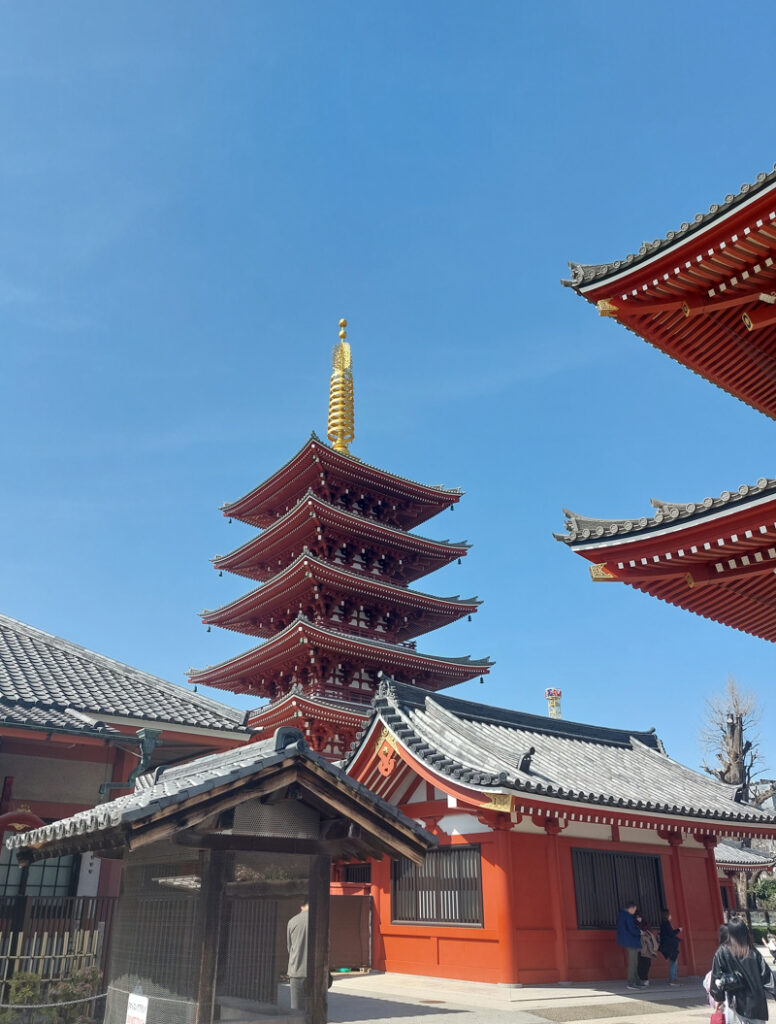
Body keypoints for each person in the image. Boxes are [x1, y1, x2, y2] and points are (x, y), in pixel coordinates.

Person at [710, 916, 774, 1024]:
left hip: (735, 1003)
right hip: (757, 1005)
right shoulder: (754, 953)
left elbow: (716, 979)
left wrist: (718, 998)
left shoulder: (722, 952)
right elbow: (768, 978)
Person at [616, 900, 644, 990]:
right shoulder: (628, 916)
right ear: (632, 908)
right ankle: (631, 983)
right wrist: (639, 932)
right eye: (635, 909)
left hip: (627, 940)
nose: (635, 911)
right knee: (633, 963)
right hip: (631, 941)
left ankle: (637, 981)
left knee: (634, 962)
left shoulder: (622, 915)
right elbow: (631, 929)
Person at [287, 901, 309, 1012]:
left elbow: (289, 947)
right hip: (315, 971)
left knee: (296, 1010)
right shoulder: (320, 921)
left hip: (296, 971)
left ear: (301, 905)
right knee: (314, 1008)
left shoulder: (292, 921)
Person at [659, 908, 682, 985]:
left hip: (669, 945)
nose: (671, 916)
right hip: (670, 946)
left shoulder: (664, 924)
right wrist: (678, 930)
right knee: (673, 962)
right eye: (669, 914)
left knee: (674, 962)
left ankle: (675, 979)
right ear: (667, 915)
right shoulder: (666, 924)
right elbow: (671, 934)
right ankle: (673, 980)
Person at [636, 912, 659, 987]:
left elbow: (651, 934)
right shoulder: (634, 926)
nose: (638, 919)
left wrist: (645, 933)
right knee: (640, 964)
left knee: (647, 963)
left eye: (639, 917)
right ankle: (642, 979)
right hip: (639, 948)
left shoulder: (646, 925)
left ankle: (645, 979)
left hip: (648, 948)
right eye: (637, 917)